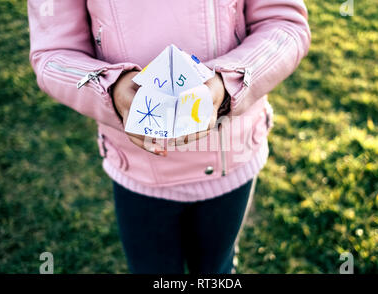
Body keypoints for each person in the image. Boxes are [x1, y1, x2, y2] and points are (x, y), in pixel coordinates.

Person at [28, 0, 310, 274]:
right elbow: (53, 53)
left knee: (217, 270)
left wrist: (228, 82)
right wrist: (111, 90)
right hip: (139, 172)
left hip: (232, 157)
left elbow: (283, 22)